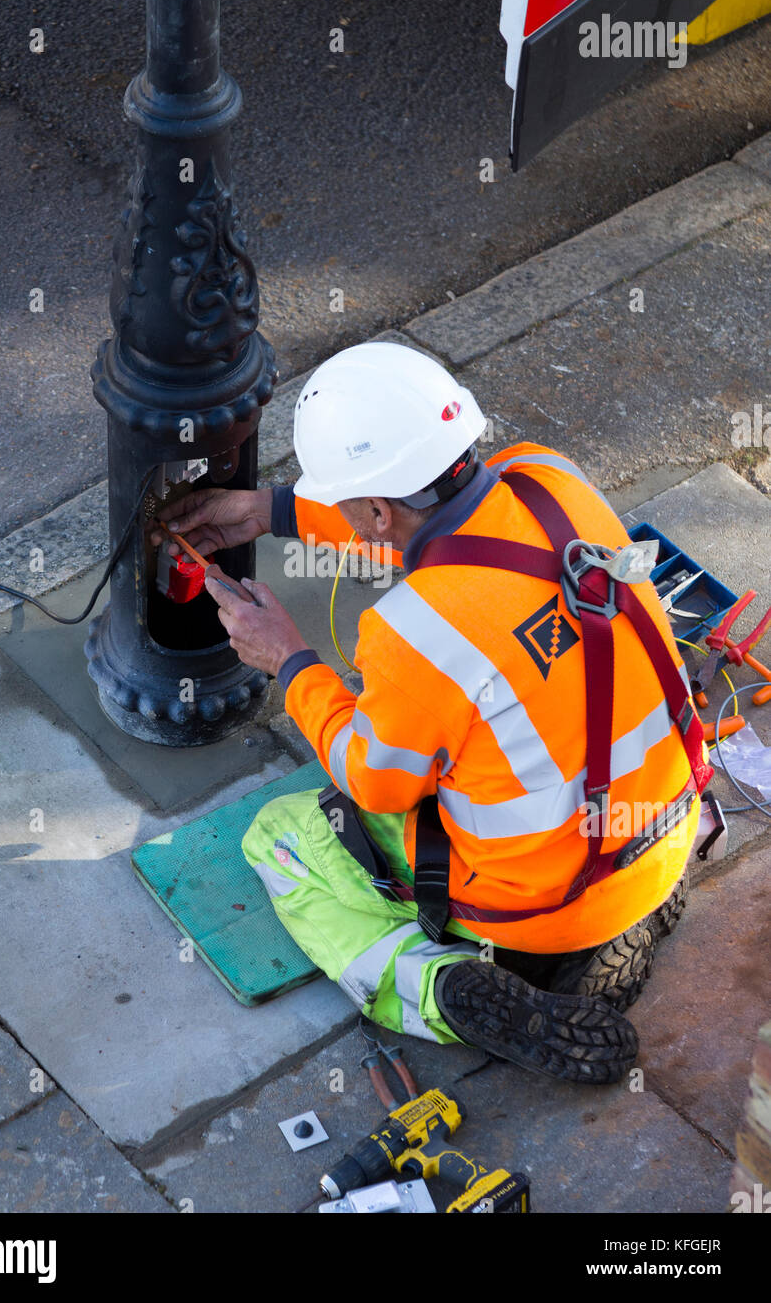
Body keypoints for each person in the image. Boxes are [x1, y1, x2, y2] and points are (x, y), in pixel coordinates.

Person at [153, 342, 705, 1083]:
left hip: (549, 903)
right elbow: (454, 536)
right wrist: (269, 511)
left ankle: (441, 989)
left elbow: (372, 782)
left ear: (375, 510)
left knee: (282, 837)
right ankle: (633, 907)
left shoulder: (417, 635)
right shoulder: (549, 478)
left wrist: (288, 660)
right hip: (663, 830)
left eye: (347, 503)